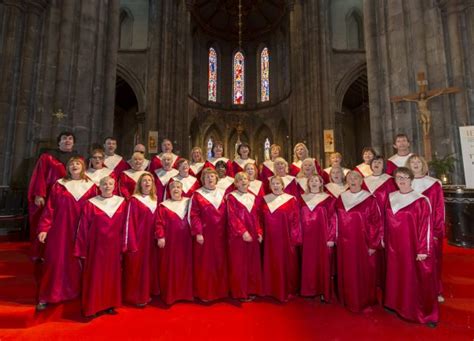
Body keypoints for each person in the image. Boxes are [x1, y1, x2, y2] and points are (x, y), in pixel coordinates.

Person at [35, 157, 96, 311]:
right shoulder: (59, 185)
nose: (74, 166)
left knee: (77, 261)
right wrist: (44, 228)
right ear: (67, 168)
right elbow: (50, 208)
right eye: (71, 164)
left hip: (81, 230)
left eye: (78, 164)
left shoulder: (91, 187)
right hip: (60, 230)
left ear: (83, 167)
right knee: (55, 261)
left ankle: (74, 293)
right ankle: (48, 295)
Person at [384, 167, 438, 327]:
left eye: (405, 177)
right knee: (398, 276)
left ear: (411, 179)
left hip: (414, 246)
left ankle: (426, 315)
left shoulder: (421, 200)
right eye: (398, 177)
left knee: (418, 279)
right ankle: (398, 306)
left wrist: (423, 250)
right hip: (395, 247)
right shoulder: (391, 197)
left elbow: (426, 226)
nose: (401, 180)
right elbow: (386, 223)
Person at [74, 176, 127, 318]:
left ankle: (109, 304)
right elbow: (83, 227)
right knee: (95, 276)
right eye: (104, 184)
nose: (107, 186)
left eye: (110, 184)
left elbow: (125, 227)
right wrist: (82, 248)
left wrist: (124, 245)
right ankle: (93, 306)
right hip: (96, 246)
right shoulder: (91, 204)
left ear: (115, 186)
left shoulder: (121, 203)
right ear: (100, 186)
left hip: (114, 246)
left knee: (112, 276)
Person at [335, 171, 383, 313]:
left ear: (362, 181)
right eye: (350, 178)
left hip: (363, 243)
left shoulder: (370, 199)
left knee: (363, 272)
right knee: (347, 271)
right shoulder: (341, 198)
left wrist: (373, 244)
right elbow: (335, 219)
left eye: (356, 177)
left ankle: (364, 300)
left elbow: (376, 223)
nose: (353, 180)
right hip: (344, 244)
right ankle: (347, 299)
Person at [407, 154, 445, 303]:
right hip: (411, 230)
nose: (416, 164)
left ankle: (436, 291)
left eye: (418, 162)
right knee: (411, 261)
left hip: (430, 231)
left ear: (423, 165)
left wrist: (436, 231)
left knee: (432, 262)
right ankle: (414, 290)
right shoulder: (404, 183)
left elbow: (439, 209)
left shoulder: (434, 184)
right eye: (412, 162)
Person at [28, 131, 79, 241]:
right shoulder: (47, 157)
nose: (67, 140)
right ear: (59, 142)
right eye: (64, 138)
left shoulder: (78, 159)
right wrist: (39, 194)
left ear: (73, 143)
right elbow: (40, 175)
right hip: (49, 195)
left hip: (69, 197)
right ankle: (42, 252)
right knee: (45, 223)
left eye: (70, 138)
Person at [189, 168, 228, 301]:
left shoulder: (224, 193)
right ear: (203, 179)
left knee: (220, 262)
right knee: (205, 263)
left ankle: (220, 292)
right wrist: (198, 232)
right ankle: (205, 293)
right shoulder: (197, 195)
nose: (210, 179)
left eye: (212, 176)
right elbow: (194, 215)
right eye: (207, 177)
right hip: (205, 234)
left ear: (217, 178)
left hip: (221, 234)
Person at [261, 176, 301, 302]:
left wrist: (294, 239)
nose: (276, 185)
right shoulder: (265, 200)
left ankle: (285, 290)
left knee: (284, 263)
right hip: (269, 240)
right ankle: (270, 289)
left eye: (278, 183)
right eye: (273, 183)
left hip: (285, 238)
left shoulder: (290, 200)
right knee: (271, 262)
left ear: (283, 185)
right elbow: (260, 219)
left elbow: (296, 220)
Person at [123, 172, 160, 307]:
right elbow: (129, 222)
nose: (147, 183)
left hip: (152, 239)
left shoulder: (155, 199)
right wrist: (131, 243)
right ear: (139, 183)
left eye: (149, 180)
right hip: (139, 239)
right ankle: (137, 296)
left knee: (150, 266)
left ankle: (148, 292)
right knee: (137, 267)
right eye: (144, 180)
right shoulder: (134, 200)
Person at [362, 155, 397, 290]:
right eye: (374, 162)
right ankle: (371, 280)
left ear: (384, 166)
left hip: (384, 219)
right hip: (368, 220)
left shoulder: (389, 181)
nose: (376, 164)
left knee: (384, 250)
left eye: (380, 162)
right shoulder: (364, 181)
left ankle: (384, 281)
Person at [155, 181, 193, 305]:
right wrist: (160, 236)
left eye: (178, 187)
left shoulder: (189, 202)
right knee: (170, 267)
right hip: (171, 241)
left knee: (186, 266)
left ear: (182, 189)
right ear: (169, 191)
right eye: (173, 187)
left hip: (187, 240)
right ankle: (171, 295)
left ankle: (186, 294)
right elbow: (159, 222)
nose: (175, 189)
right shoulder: (163, 206)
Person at [300, 174, 337, 302]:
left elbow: (333, 218)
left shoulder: (328, 199)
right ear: (308, 184)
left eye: (317, 180)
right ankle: (309, 290)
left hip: (323, 236)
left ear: (321, 183)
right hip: (306, 237)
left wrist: (331, 237)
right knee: (309, 263)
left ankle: (323, 291)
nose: (314, 182)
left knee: (323, 264)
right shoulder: (301, 199)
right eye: (311, 180)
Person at [227, 172, 263, 301]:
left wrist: (259, 231)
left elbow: (256, 216)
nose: (243, 181)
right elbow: (232, 217)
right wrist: (243, 232)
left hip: (252, 233)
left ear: (249, 182)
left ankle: (251, 289)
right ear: (235, 183)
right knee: (239, 263)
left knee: (252, 263)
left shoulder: (253, 197)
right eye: (240, 179)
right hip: (238, 235)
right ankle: (240, 292)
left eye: (245, 179)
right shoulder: (231, 197)